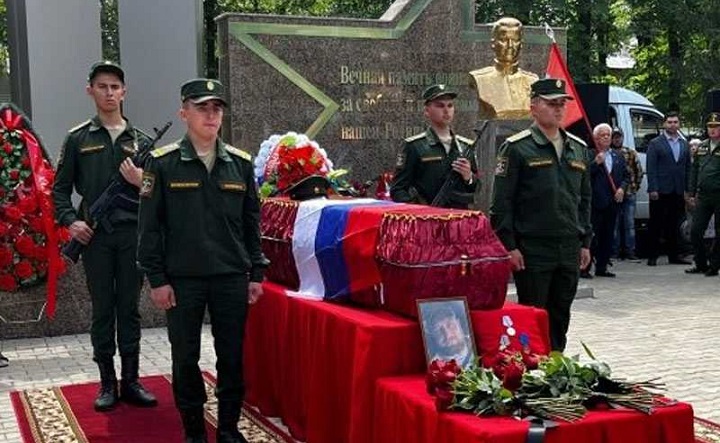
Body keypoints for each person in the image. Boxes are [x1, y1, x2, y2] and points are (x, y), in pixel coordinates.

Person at [137, 78, 268, 443]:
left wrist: (256, 272)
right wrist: (157, 279)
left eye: (217, 108)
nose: (211, 115)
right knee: (185, 358)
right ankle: (194, 431)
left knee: (231, 356)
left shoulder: (240, 164)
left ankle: (228, 428)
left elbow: (251, 224)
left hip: (230, 277)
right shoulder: (162, 163)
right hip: (183, 280)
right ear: (184, 113)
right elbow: (149, 228)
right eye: (202, 108)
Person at [52, 61, 157, 411]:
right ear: (90, 91)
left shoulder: (141, 141)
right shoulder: (78, 138)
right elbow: (60, 190)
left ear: (124, 92)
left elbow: (158, 193)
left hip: (131, 237)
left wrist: (140, 181)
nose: (109, 93)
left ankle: (132, 380)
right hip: (94, 238)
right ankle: (107, 382)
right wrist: (71, 222)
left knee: (129, 308)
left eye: (115, 87)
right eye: (102, 86)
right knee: (102, 309)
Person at [490, 78, 592, 352]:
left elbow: (584, 200)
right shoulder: (517, 147)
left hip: (568, 246)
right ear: (533, 107)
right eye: (551, 103)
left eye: (561, 104)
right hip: (533, 248)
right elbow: (501, 203)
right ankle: (532, 366)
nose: (558, 109)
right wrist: (509, 246)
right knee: (533, 315)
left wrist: (585, 242)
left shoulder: (577, 147)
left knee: (560, 314)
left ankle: (556, 364)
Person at [390, 84, 478, 208]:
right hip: (427, 216)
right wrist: (417, 211)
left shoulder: (465, 147)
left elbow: (478, 189)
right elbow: (398, 189)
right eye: (440, 106)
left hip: (459, 217)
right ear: (427, 111)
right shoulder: (414, 146)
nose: (446, 110)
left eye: (450, 105)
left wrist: (469, 177)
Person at [469, 17, 539, 120]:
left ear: (521, 44)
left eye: (515, 40)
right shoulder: (480, 78)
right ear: (493, 43)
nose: (510, 45)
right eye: (503, 40)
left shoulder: (533, 80)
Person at [645, 112, 692, 266]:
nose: (673, 125)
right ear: (664, 124)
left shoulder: (684, 144)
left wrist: (688, 189)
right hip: (660, 190)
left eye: (675, 122)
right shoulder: (655, 143)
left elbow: (688, 168)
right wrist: (653, 188)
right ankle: (652, 255)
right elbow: (651, 167)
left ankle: (674, 255)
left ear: (679, 124)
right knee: (656, 223)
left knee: (675, 224)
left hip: (677, 189)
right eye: (670, 122)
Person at [589, 124, 629, 277]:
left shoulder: (618, 156)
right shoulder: (590, 154)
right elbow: (583, 174)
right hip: (596, 202)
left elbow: (626, 176)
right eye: (602, 135)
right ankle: (585, 267)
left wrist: (622, 189)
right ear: (596, 138)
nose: (606, 137)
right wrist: (595, 164)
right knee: (593, 236)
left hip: (612, 203)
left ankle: (602, 267)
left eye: (608, 135)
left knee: (608, 236)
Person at [685, 112, 720, 276]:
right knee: (695, 230)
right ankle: (700, 263)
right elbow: (694, 170)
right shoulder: (702, 147)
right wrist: (691, 193)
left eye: (716, 126)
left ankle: (714, 264)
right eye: (710, 126)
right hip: (704, 195)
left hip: (718, 195)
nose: (712, 129)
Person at [611, 127, 643, 260]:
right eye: (614, 137)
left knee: (629, 224)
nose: (617, 139)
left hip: (629, 193)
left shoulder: (631, 153)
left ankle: (630, 252)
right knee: (614, 224)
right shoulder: (608, 153)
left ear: (622, 138)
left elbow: (639, 171)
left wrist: (635, 187)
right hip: (613, 194)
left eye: (619, 137)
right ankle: (614, 252)